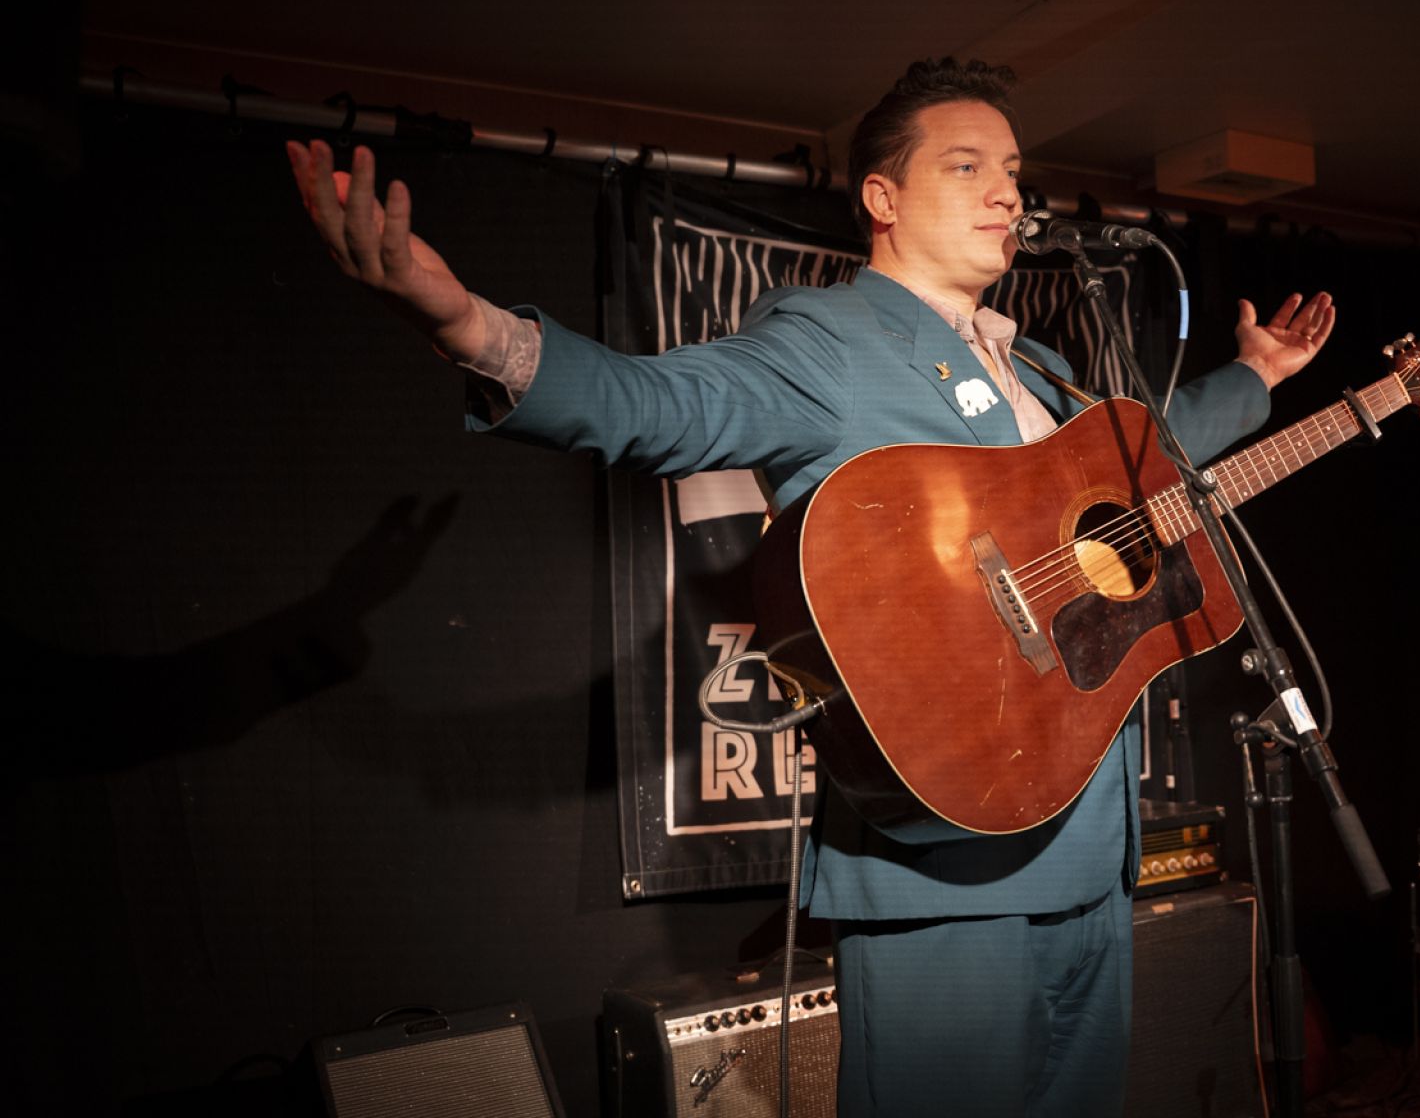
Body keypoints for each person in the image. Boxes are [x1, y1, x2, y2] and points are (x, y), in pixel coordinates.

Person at [287, 57, 1334, 1117]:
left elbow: (1148, 467)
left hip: (1091, 853)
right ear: (883, 196)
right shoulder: (831, 343)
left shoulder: (1041, 367)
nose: (1005, 194)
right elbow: (657, 406)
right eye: (966, 166)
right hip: (946, 865)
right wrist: (467, 324)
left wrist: (1256, 377)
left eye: (1013, 171)